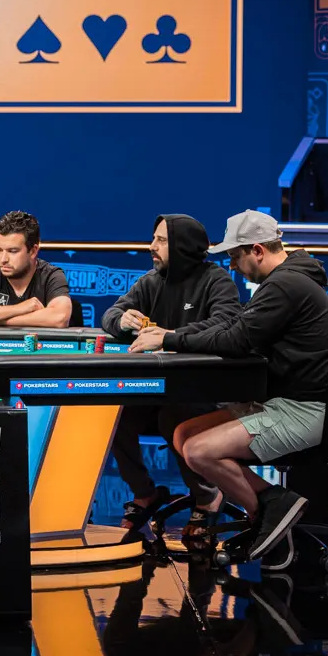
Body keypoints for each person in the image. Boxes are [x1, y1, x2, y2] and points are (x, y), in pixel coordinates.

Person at [128, 211, 328, 563]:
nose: (231, 264)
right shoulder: (285, 280)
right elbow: (237, 329)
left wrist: (169, 339)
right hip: (283, 401)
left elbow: (235, 339)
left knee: (198, 451)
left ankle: (268, 515)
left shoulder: (285, 285)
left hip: (302, 410)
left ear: (257, 250)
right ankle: (272, 504)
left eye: (234, 255)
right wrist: (174, 336)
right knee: (183, 432)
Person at [100, 215, 241, 537]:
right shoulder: (151, 281)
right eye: (154, 239)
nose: (151, 246)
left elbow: (227, 323)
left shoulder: (216, 281)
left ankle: (207, 496)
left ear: (183, 246)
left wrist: (170, 336)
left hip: (204, 391)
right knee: (114, 413)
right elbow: (111, 314)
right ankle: (145, 492)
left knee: (173, 416)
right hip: (156, 389)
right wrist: (122, 320)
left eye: (161, 241)